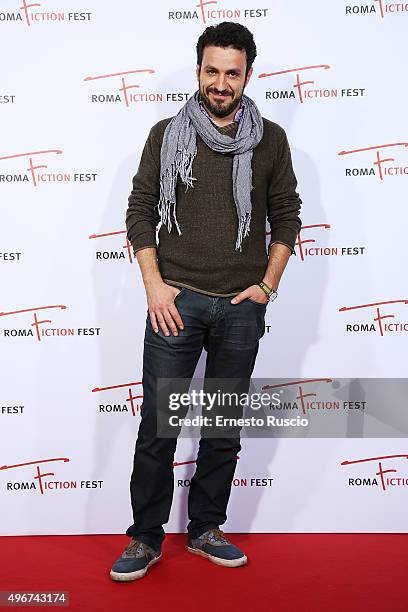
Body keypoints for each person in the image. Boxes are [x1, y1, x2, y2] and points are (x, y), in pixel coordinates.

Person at [110, 21, 302, 581]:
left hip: (241, 309)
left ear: (248, 74)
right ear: (198, 70)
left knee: (223, 429)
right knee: (157, 429)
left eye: (232, 73)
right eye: (212, 71)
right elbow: (140, 211)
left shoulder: (271, 141)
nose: (221, 83)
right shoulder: (166, 134)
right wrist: (153, 285)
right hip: (177, 303)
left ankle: (205, 528)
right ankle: (145, 538)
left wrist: (267, 286)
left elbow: (286, 214)